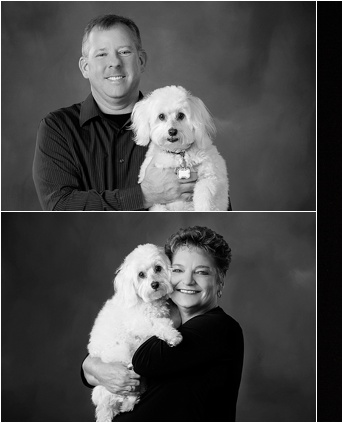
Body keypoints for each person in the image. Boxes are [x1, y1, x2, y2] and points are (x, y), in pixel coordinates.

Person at [32, 14, 195, 210]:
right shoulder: (58, 128)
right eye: (101, 54)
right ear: (85, 67)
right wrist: (143, 195)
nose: (115, 63)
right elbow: (59, 206)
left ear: (141, 61)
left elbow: (213, 199)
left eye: (124, 52)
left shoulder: (182, 122)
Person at [82, 226, 244, 421]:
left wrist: (93, 366)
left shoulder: (220, 328)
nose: (188, 280)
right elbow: (97, 369)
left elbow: (142, 360)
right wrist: (93, 366)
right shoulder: (165, 323)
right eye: (177, 270)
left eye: (201, 272)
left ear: (220, 281)